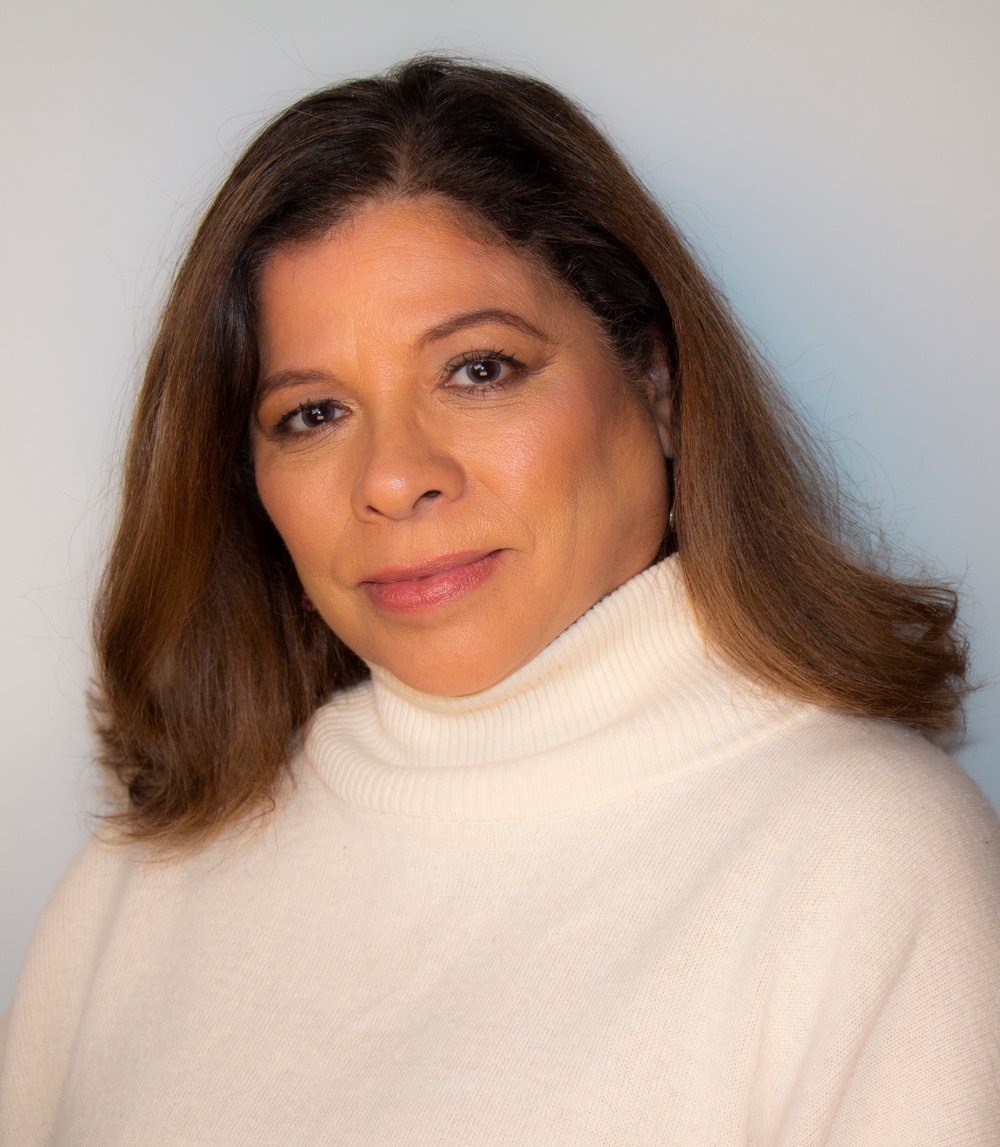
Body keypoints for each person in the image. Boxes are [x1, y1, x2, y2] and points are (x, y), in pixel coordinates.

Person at [1, 55, 997, 1145]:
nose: (392, 477)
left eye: (477, 370)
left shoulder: (866, 864)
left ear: (654, 388)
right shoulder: (137, 886)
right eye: (313, 413)